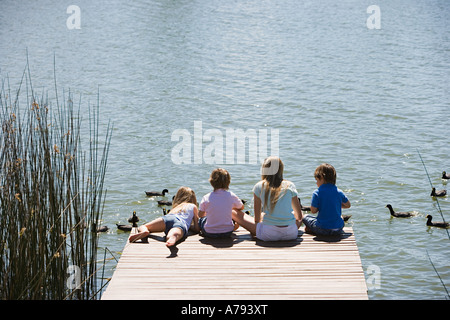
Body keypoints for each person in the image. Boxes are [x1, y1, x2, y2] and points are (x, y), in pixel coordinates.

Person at [232, 156, 303, 241]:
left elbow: (257, 219)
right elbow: (299, 217)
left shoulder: (259, 186)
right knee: (299, 213)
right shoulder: (290, 185)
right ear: (280, 169)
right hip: (291, 233)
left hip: (268, 234)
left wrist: (262, 217)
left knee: (233, 211)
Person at [128, 186, 199, 247]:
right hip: (180, 222)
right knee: (174, 233)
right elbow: (196, 229)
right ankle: (172, 238)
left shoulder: (175, 207)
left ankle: (145, 231)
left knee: (144, 226)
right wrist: (190, 226)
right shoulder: (193, 206)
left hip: (167, 218)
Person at [302, 163, 351, 236]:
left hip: (322, 229)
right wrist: (334, 205)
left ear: (321, 177)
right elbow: (348, 205)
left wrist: (322, 205)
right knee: (340, 217)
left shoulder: (317, 192)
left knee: (304, 217)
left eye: (317, 180)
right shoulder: (339, 192)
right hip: (338, 229)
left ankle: (310, 228)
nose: (316, 183)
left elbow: (313, 211)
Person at [198, 168, 244, 238]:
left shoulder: (206, 197)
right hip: (227, 232)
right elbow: (241, 207)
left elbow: (200, 215)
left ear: (211, 182)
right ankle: (232, 226)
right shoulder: (231, 195)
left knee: (202, 220)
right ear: (228, 182)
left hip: (210, 233)